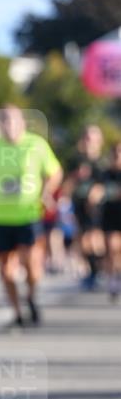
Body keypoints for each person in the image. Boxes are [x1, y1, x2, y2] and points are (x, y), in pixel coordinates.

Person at [0, 106, 62, 327]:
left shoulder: (36, 145)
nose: (9, 126)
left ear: (22, 123)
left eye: (13, 121)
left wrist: (45, 192)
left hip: (29, 214)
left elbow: (55, 172)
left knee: (32, 267)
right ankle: (17, 312)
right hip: (0, 217)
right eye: (4, 121)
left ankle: (32, 296)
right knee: (6, 271)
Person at [68, 124, 106, 290]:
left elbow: (106, 183)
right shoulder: (76, 161)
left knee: (96, 239)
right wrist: (75, 177)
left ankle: (103, 269)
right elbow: (67, 185)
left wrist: (97, 191)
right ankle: (94, 271)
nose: (89, 141)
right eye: (87, 137)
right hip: (80, 205)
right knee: (83, 241)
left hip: (98, 207)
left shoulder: (102, 162)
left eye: (93, 137)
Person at [101, 141, 121, 301]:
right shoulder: (105, 174)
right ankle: (112, 279)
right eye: (115, 153)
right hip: (110, 215)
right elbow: (97, 189)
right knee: (111, 248)